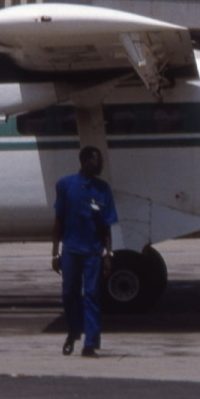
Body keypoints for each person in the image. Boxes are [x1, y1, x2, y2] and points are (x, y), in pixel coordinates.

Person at [51, 145, 118, 357]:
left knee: (91, 295)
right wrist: (55, 252)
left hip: (92, 252)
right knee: (69, 293)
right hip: (71, 250)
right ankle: (72, 332)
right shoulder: (65, 185)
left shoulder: (103, 189)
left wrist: (108, 253)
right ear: (85, 161)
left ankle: (90, 343)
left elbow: (107, 224)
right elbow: (58, 221)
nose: (100, 165)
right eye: (97, 161)